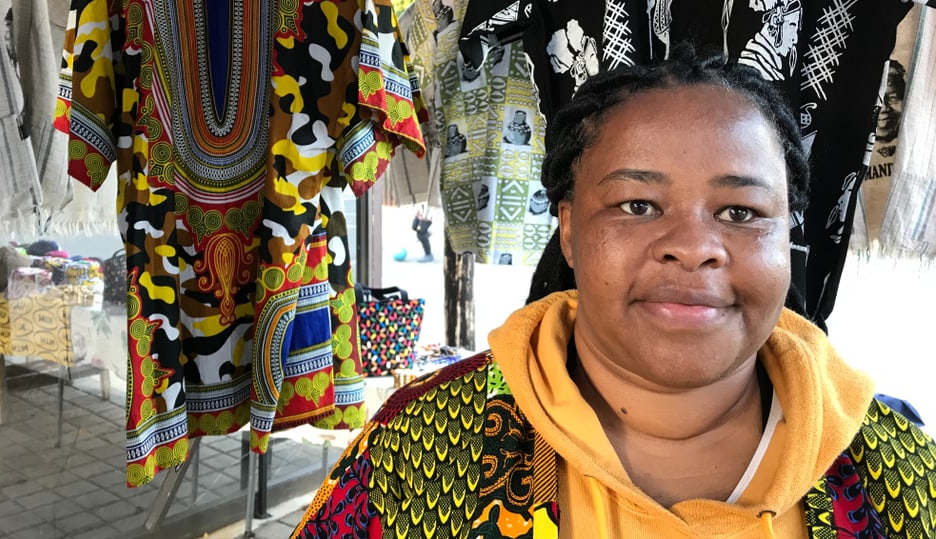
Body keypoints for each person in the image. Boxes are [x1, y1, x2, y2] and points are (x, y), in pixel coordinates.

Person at [290, 45, 936, 539]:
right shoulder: (420, 445)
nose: (693, 244)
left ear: (786, 235)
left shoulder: (899, 471)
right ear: (569, 232)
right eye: (637, 203)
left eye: (740, 211)